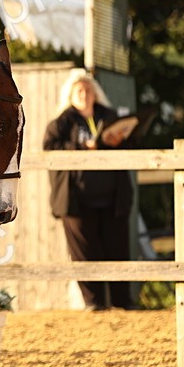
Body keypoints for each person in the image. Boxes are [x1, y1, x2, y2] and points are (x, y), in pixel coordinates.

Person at [43, 69, 135, 310]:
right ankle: (94, 304)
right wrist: (82, 146)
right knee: (85, 255)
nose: (84, 95)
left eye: (88, 90)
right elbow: (50, 149)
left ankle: (122, 302)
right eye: (80, 91)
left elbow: (131, 146)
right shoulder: (61, 123)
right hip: (76, 202)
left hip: (112, 199)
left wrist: (118, 142)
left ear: (96, 93)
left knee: (117, 251)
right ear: (71, 95)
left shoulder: (110, 116)